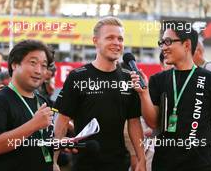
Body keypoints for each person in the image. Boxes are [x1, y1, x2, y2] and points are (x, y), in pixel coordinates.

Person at [131, 20, 211, 171]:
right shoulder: (158, 80)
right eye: (162, 42)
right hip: (165, 162)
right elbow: (153, 123)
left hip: (201, 163)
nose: (163, 48)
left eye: (168, 42)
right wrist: (144, 94)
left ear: (186, 45)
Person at [53, 16, 146, 171]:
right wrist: (54, 159)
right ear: (95, 41)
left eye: (120, 39)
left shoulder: (129, 78)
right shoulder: (78, 76)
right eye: (110, 37)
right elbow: (62, 120)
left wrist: (142, 159)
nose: (116, 43)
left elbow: (134, 123)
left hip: (119, 164)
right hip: (84, 163)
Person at [0, 40, 55, 171]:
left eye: (44, 65)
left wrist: (61, 144)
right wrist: (34, 124)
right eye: (33, 63)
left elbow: (40, 140)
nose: (39, 70)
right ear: (14, 64)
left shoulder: (42, 101)